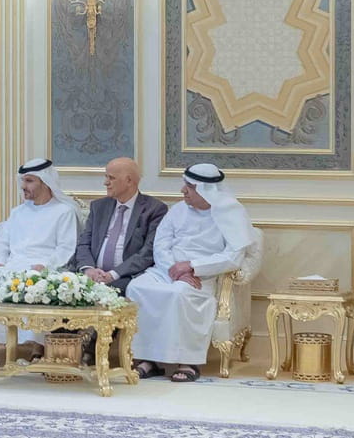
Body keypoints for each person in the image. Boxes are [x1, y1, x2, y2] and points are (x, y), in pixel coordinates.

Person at [126, 164, 258, 382]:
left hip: (202, 276)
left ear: (208, 190)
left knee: (179, 293)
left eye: (190, 186)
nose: (183, 190)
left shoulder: (232, 213)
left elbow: (233, 257)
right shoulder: (177, 210)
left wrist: (193, 266)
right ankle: (148, 360)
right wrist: (175, 269)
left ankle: (188, 362)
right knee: (137, 287)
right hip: (167, 270)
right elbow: (161, 245)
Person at [0, 158, 80, 367]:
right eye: (23, 181)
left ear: (45, 182)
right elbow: (2, 242)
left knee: (37, 285)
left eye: (29, 181)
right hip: (13, 266)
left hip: (45, 268)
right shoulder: (18, 212)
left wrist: (46, 267)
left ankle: (38, 348)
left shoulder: (64, 212)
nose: (23, 186)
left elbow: (66, 248)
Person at [69, 157, 167, 293]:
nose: (105, 183)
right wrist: (89, 269)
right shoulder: (99, 207)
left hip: (127, 276)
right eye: (106, 177)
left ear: (129, 181)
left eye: (111, 178)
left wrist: (113, 274)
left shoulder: (154, 209)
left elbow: (148, 252)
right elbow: (84, 243)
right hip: (93, 274)